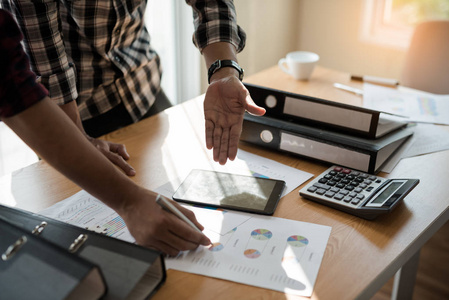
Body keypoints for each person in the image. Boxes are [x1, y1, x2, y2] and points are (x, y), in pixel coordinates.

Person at [0, 9, 211, 256]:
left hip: (141, 88)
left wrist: (222, 69)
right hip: (77, 109)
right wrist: (128, 201)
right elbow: (20, 88)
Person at [1, 0, 266, 170]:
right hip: (73, 112)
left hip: (142, 86)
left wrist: (223, 72)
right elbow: (47, 66)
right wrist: (79, 142)